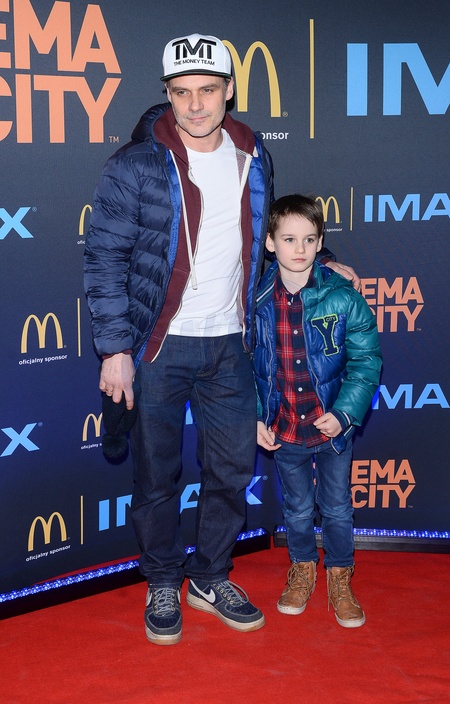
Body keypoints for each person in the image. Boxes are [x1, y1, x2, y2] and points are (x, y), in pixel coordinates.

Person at [84, 34, 360, 646]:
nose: (195, 105)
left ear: (229, 90)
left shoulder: (253, 155)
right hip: (158, 346)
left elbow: (264, 235)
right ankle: (163, 580)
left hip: (231, 344)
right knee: (156, 476)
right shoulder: (135, 164)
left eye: (207, 90)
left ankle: (209, 576)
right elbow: (104, 259)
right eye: (181, 92)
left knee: (232, 470)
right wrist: (116, 350)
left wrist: (321, 260)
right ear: (167, 94)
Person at [253, 194, 382, 628]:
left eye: (309, 239)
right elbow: (246, 366)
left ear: (321, 241)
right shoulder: (255, 300)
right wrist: (257, 416)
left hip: (332, 430)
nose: (300, 248)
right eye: (289, 239)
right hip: (284, 427)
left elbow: (366, 362)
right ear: (270, 242)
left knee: (338, 507)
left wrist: (344, 414)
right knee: (296, 508)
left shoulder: (343, 296)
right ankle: (303, 567)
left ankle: (340, 576)